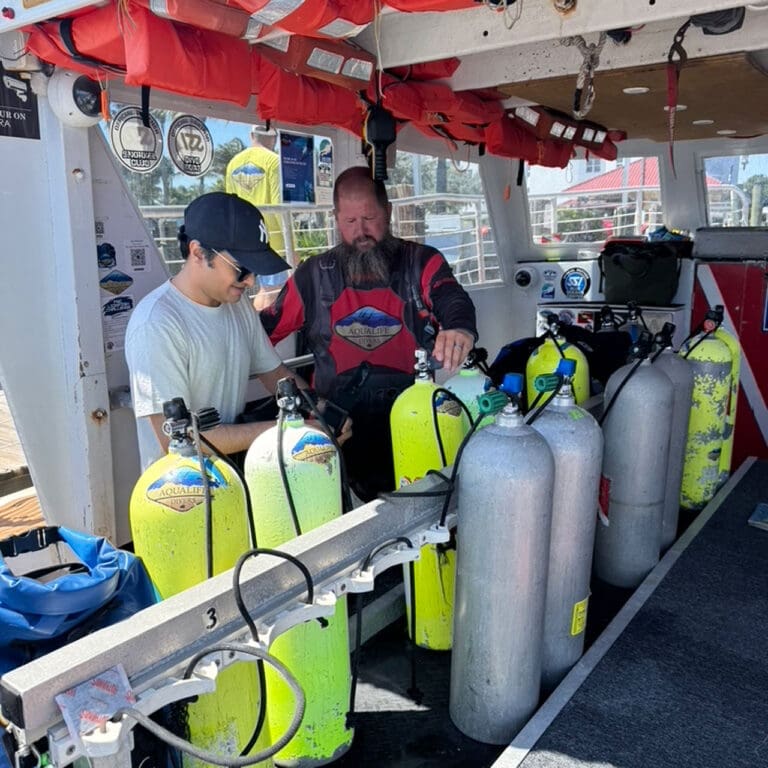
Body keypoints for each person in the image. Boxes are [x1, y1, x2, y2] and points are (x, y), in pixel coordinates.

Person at [261, 166, 478, 501]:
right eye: (349, 222)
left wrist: (458, 327)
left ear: (388, 211)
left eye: (369, 218)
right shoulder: (312, 277)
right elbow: (261, 335)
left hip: (412, 419)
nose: (361, 232)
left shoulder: (420, 262)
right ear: (335, 219)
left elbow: (450, 296)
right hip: (337, 429)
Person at [125, 192, 348, 471]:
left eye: (255, 268)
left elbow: (276, 375)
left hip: (232, 474)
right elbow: (179, 441)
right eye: (241, 268)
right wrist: (294, 428)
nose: (252, 280)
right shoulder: (157, 324)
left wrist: (324, 412)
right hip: (183, 492)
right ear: (198, 253)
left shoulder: (237, 304)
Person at [226, 125, 289, 310]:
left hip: (243, 240)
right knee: (272, 291)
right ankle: (265, 335)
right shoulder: (274, 161)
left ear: (251, 135)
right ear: (274, 138)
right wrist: (290, 245)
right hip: (272, 241)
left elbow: (231, 206)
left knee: (257, 290)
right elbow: (279, 207)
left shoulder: (233, 163)